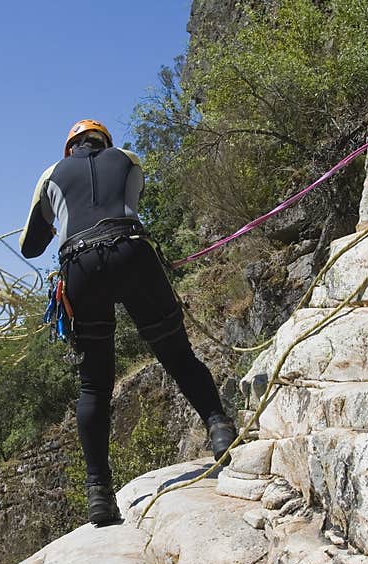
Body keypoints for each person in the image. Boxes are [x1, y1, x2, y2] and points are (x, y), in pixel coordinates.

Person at [19, 119, 238, 526]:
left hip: (81, 266)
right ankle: (218, 428)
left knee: (94, 385)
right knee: (177, 355)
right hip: (133, 253)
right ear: (104, 142)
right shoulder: (128, 159)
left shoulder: (50, 174)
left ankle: (99, 492)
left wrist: (55, 220)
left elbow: (30, 247)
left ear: (70, 148)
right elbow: (130, 197)